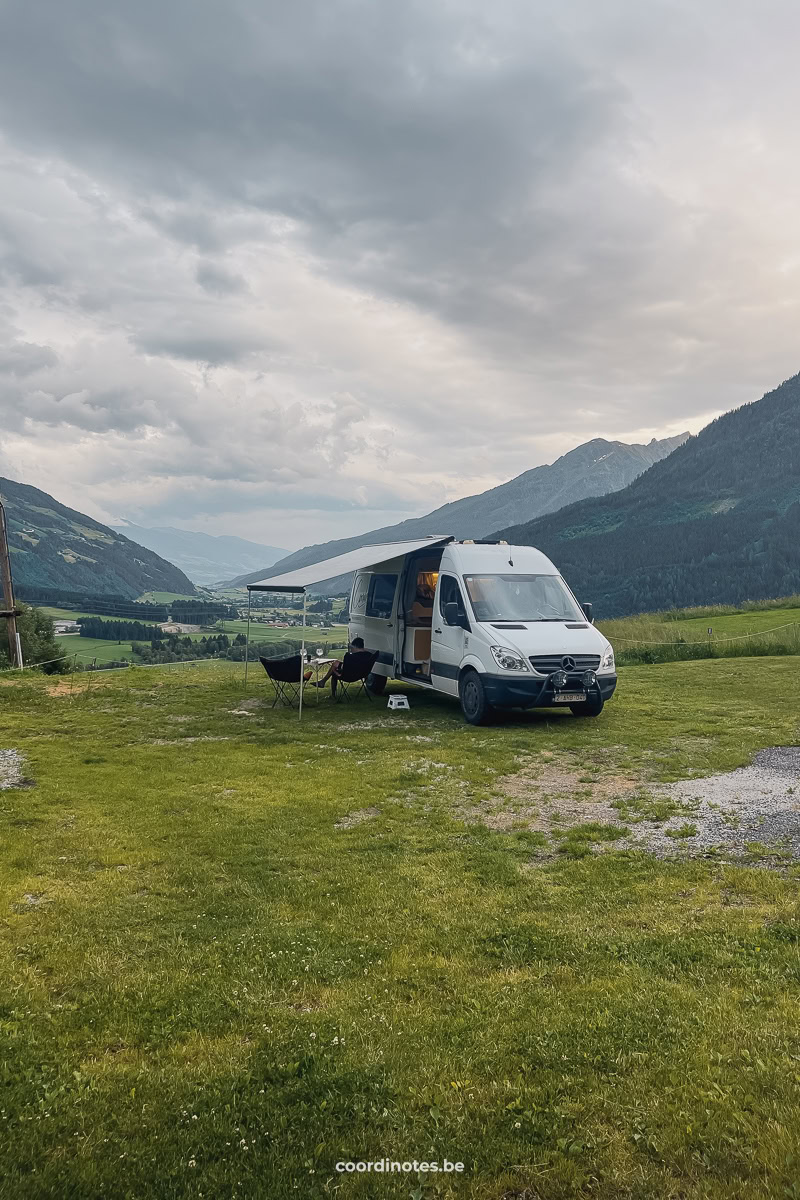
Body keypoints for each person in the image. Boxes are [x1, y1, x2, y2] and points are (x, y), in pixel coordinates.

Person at [310, 637, 374, 696]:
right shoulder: (369, 655)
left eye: (352, 647)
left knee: (334, 670)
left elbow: (346, 667)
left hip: (349, 676)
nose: (351, 649)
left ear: (355, 647)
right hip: (362, 675)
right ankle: (323, 682)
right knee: (336, 665)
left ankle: (327, 687)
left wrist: (338, 665)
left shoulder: (351, 657)